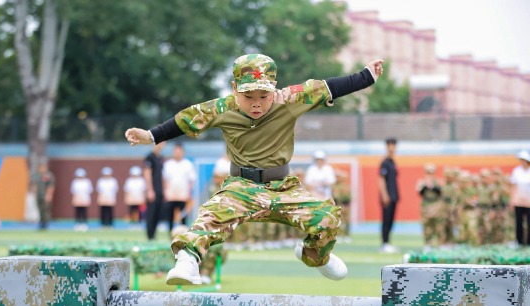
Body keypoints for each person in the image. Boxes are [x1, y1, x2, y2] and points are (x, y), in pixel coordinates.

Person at [126, 53, 384, 285]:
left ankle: (315, 256)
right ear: (234, 89)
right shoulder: (221, 107)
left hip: (283, 188)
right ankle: (187, 261)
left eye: (264, 96)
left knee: (327, 217)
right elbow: (184, 120)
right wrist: (150, 135)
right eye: (248, 97)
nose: (257, 104)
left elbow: (330, 87)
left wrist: (367, 75)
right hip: (241, 187)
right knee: (209, 218)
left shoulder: (290, 99)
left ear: (274, 89)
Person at [163, 143, 197, 231]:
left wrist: (189, 193)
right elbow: (165, 180)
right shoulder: (168, 164)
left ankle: (183, 235)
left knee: (183, 216)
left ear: (182, 152)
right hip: (171, 195)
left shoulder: (187, 164)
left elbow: (191, 180)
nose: (177, 153)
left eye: (179, 151)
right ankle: (171, 234)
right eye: (176, 151)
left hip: (183, 195)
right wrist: (165, 192)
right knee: (170, 216)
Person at [378, 138, 399, 253]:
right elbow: (381, 179)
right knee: (386, 220)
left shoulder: (393, 162)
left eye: (394, 145)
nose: (392, 147)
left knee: (391, 220)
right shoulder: (384, 162)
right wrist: (384, 194)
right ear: (387, 147)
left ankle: (388, 242)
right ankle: (384, 243)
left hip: (394, 195)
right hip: (387, 196)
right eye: (390, 145)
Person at [416, 163, 443, 250]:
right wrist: (425, 185)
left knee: (438, 226)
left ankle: (439, 243)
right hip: (426, 206)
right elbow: (420, 192)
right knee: (427, 227)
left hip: (436, 206)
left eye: (431, 172)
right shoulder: (422, 182)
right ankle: (428, 243)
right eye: (428, 172)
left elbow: (440, 192)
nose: (429, 174)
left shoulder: (438, 181)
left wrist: (432, 186)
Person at [143, 142, 166, 239]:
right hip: (153, 190)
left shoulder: (161, 158)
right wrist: (150, 190)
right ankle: (150, 236)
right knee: (151, 214)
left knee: (158, 214)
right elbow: (147, 173)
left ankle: (154, 235)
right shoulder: (150, 157)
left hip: (160, 190)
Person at [510, 150, 530, 246]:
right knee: (519, 222)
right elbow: (514, 186)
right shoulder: (516, 171)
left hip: (529, 202)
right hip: (519, 201)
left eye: (524, 160)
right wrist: (512, 200)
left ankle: (529, 242)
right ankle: (519, 242)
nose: (522, 162)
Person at [30, 162, 55, 230]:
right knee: (40, 208)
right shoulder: (37, 175)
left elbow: (50, 186)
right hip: (39, 195)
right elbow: (34, 185)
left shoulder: (48, 175)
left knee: (45, 209)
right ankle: (41, 222)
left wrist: (49, 195)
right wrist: (34, 193)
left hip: (45, 194)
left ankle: (46, 223)